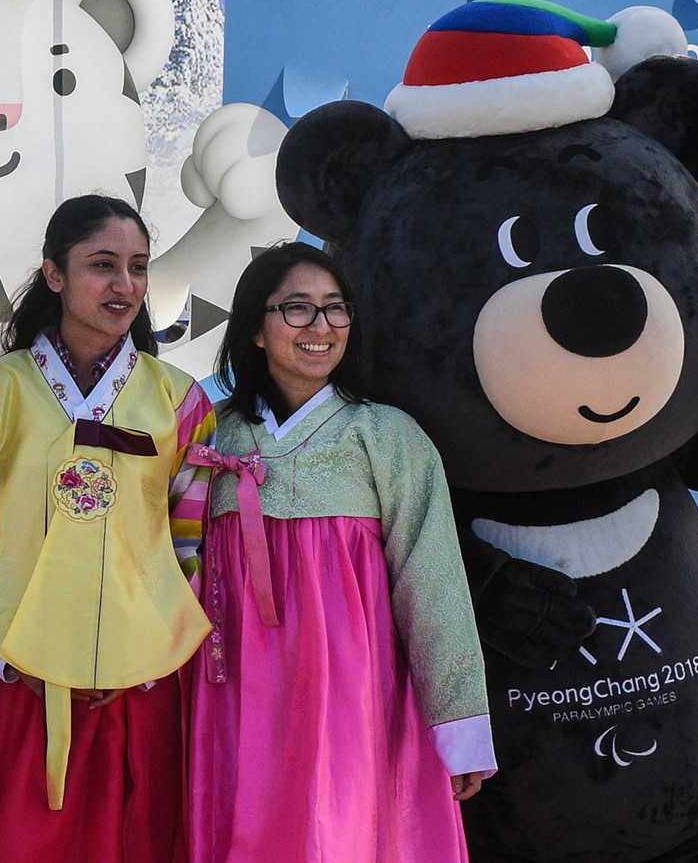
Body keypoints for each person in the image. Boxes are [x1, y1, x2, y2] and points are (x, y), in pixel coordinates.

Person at [0, 194, 216, 863]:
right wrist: (8, 639)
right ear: (54, 274)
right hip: (15, 677)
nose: (125, 285)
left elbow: (190, 544)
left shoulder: (180, 402)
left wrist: (151, 639)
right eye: (102, 265)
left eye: (138, 267)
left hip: (139, 683)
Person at [187, 242, 495, 862]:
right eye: (297, 309)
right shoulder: (209, 435)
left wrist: (457, 725)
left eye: (336, 309)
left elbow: (431, 584)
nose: (321, 326)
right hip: (233, 688)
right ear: (254, 327)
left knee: (342, 829)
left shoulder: (387, 437)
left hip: (352, 693)